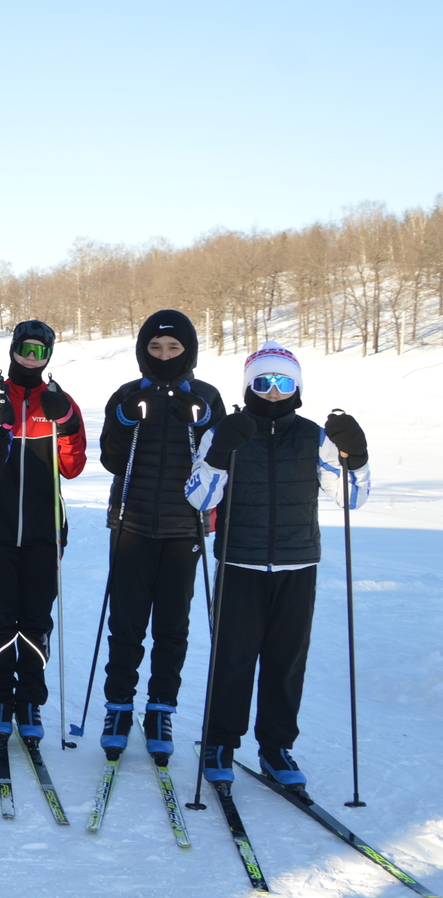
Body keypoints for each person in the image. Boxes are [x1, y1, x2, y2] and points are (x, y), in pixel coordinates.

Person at [186, 342, 369, 793]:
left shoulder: (312, 435)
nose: (271, 391)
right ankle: (220, 744)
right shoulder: (225, 432)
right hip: (239, 561)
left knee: (287, 661)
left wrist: (357, 459)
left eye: (282, 382)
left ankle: (275, 747)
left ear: (297, 387)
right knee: (233, 659)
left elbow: (351, 498)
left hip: (297, 562)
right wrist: (215, 455)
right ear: (249, 384)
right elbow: (199, 498)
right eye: (262, 382)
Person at [96, 310, 224, 762]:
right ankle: (117, 708)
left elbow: (220, 465)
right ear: (142, 350)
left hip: (182, 529)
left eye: (173, 348)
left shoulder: (207, 397)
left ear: (188, 350)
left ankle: (160, 709)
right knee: (126, 624)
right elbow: (111, 460)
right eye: (155, 347)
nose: (164, 355)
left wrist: (202, 424)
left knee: (172, 627)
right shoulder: (127, 394)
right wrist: (127, 421)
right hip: (130, 524)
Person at [0, 319, 85, 742]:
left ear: (49, 356)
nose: (31, 358)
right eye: (25, 349)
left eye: (40, 352)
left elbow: (73, 465)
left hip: (45, 531)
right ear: (12, 349)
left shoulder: (59, 400)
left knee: (36, 620)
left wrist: (63, 421)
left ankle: (29, 700)